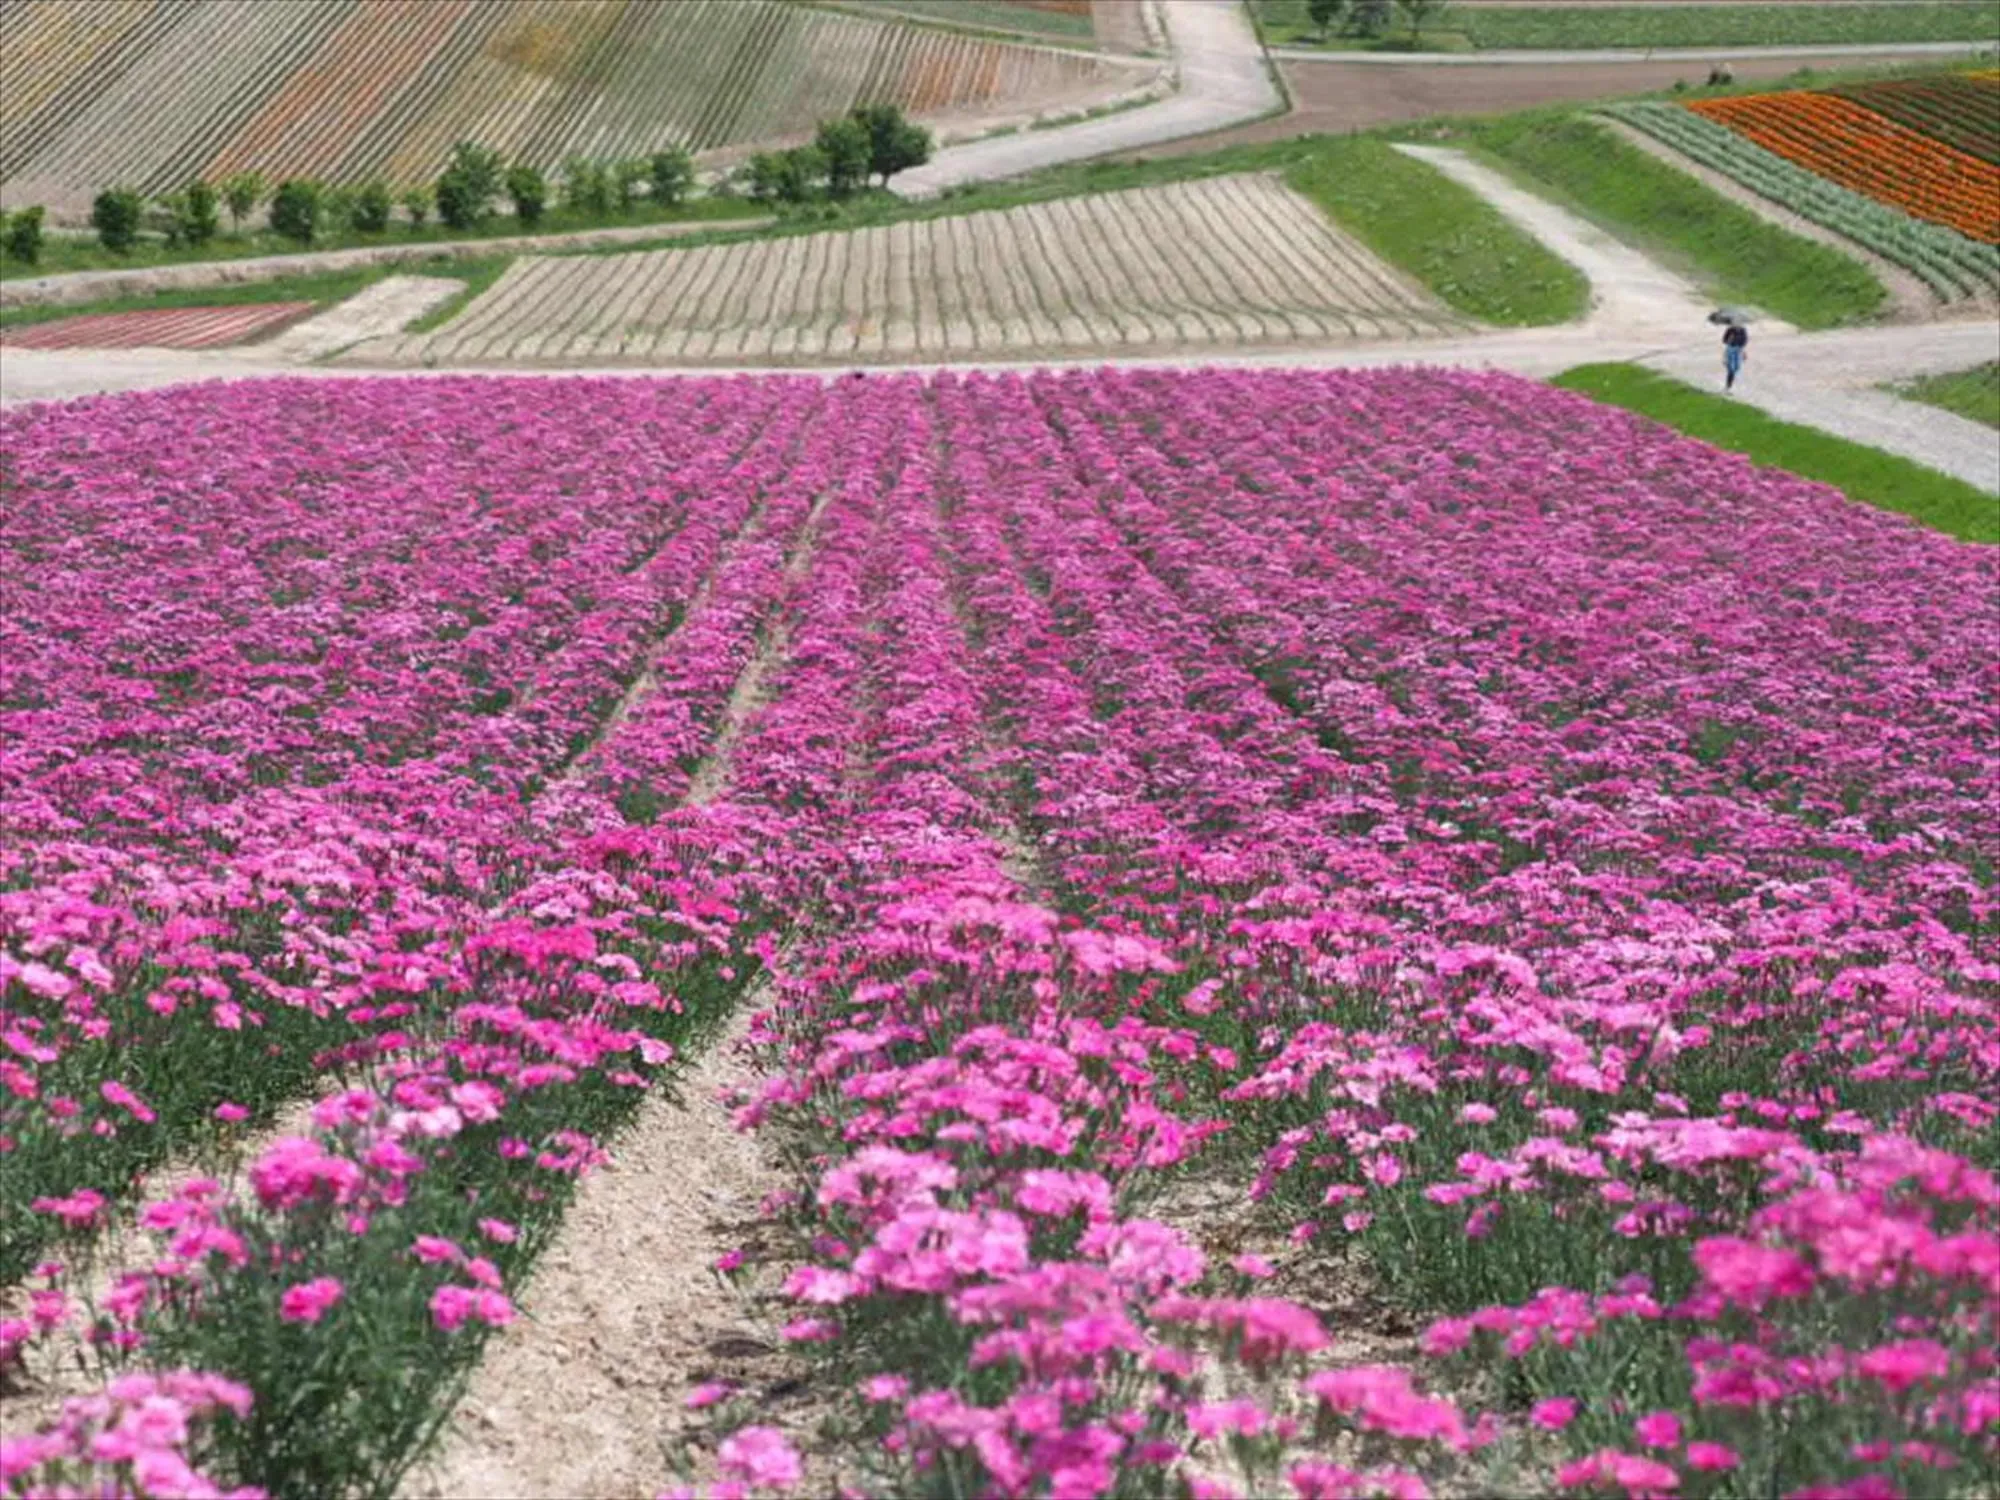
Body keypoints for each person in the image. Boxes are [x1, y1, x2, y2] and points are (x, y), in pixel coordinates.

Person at [1722, 322, 1748, 391]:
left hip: (1739, 350)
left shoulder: (1743, 330)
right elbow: (1724, 340)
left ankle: (1729, 385)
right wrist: (1729, 340)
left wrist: (1743, 353)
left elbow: (1745, 341)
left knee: (1737, 367)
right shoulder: (1730, 329)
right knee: (1731, 369)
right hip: (1731, 349)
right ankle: (1728, 386)